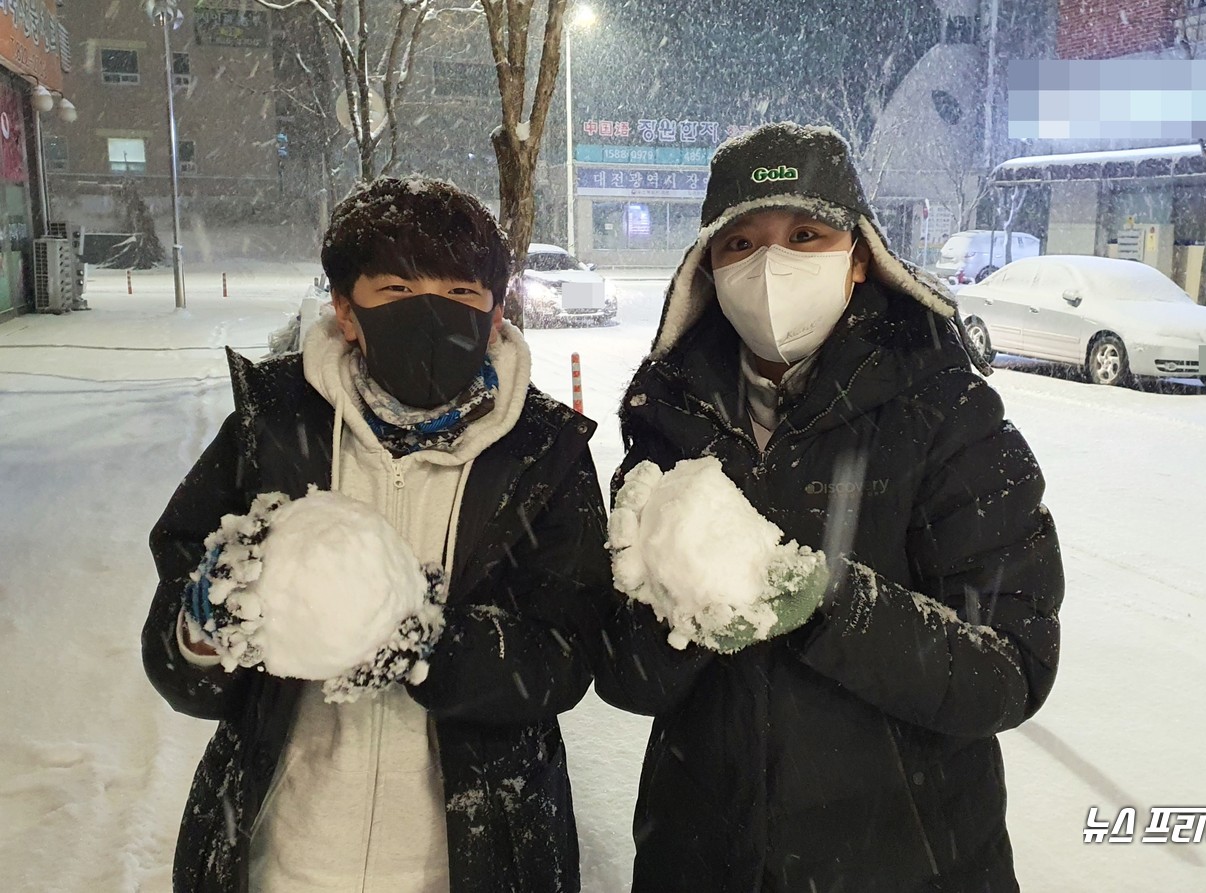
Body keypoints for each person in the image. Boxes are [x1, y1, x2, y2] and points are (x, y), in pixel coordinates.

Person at [593, 122, 1064, 892]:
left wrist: (827, 606)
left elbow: (1009, 664)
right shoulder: (668, 420)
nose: (770, 264)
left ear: (857, 259)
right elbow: (621, 670)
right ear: (707, 267)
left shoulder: (946, 411)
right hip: (702, 857)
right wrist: (681, 609)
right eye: (740, 242)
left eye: (804, 233)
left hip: (915, 861)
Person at [142, 176, 609, 892]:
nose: (430, 316)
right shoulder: (271, 430)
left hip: (476, 862)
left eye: (459, 295)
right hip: (282, 859)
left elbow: (567, 652)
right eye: (394, 292)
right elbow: (183, 668)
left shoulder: (542, 454)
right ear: (345, 309)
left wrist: (431, 648)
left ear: (494, 314)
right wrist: (205, 631)